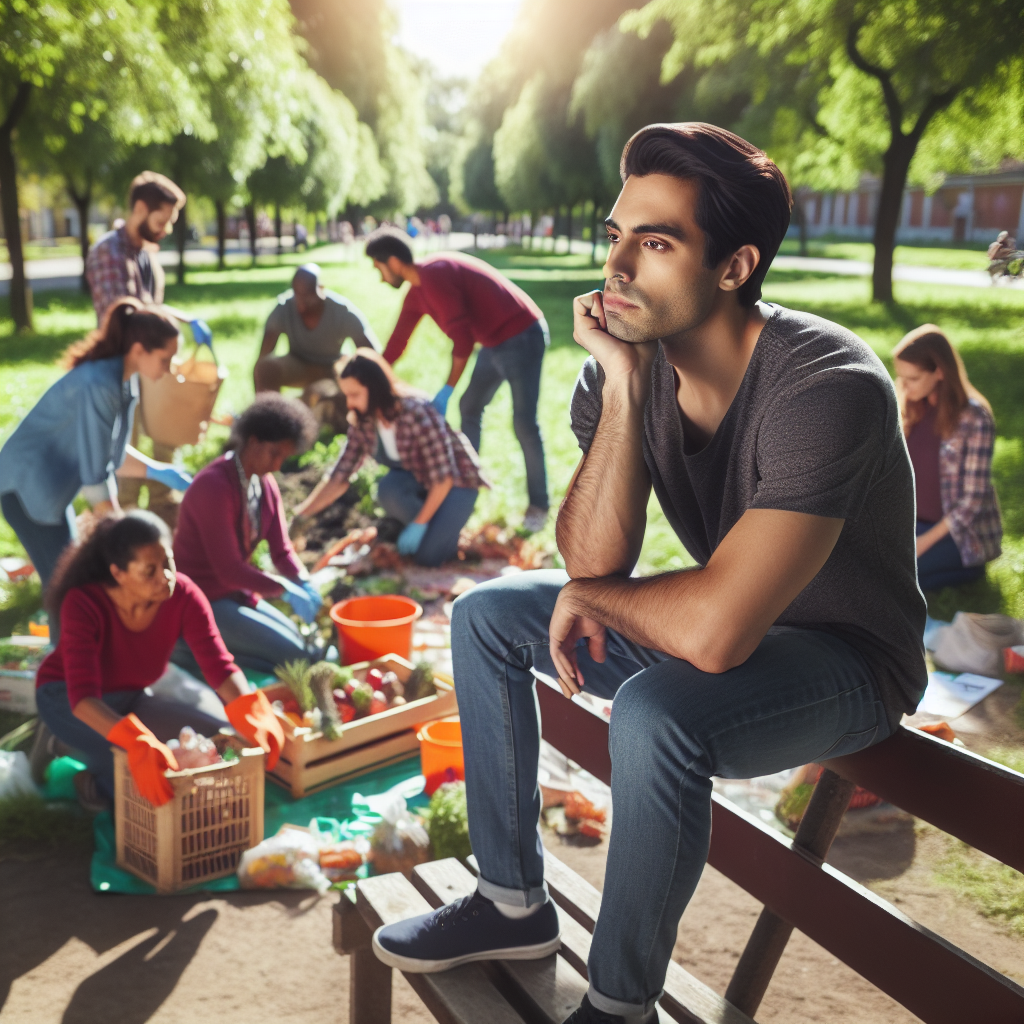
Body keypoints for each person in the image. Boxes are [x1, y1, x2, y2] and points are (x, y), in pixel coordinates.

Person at [369, 123, 927, 1024]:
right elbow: (593, 564)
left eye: (656, 242)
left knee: (657, 709)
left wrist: (600, 598)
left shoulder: (828, 385)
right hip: (744, 628)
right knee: (483, 616)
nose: (617, 266)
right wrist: (624, 384)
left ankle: (621, 1004)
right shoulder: (625, 365)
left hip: (849, 660)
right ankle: (512, 904)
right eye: (617, 234)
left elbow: (712, 635)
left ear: (736, 266)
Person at [33, 511, 283, 812]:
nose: (165, 576)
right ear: (118, 574)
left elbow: (219, 665)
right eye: (149, 571)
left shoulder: (185, 595)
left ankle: (94, 749)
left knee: (214, 742)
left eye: (168, 562)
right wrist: (137, 742)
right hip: (68, 700)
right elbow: (83, 698)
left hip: (130, 699)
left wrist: (251, 709)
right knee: (140, 788)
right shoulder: (84, 604)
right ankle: (71, 752)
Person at [0, 300, 193, 603]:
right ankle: (63, 648)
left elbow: (109, 453)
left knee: (72, 586)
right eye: (165, 359)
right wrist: (120, 530)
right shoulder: (100, 383)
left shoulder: (124, 379)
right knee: (67, 591)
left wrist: (159, 471)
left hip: (50, 488)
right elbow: (94, 477)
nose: (169, 370)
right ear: (140, 350)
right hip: (25, 487)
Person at [364, 229, 550, 532]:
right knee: (470, 407)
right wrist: (371, 376)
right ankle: (466, 488)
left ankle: (539, 506)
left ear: (394, 262)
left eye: (379, 267)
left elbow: (462, 340)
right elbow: (397, 343)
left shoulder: (434, 276)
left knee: (524, 422)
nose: (380, 277)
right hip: (493, 342)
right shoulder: (417, 291)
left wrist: (448, 387)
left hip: (521, 333)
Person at [85, 171, 207, 527]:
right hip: (120, 366)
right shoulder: (109, 253)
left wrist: (182, 319)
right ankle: (124, 523)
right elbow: (125, 315)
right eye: (162, 220)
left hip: (148, 361)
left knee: (164, 433)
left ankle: (163, 513)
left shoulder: (143, 255)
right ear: (140, 208)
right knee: (126, 444)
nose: (167, 229)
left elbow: (149, 304)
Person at [172, 394, 325, 674]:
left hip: (232, 594)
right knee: (294, 660)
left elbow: (281, 550)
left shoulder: (263, 485)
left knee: (304, 650)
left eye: (284, 457)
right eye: (275, 454)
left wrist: (302, 581)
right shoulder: (214, 486)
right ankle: (183, 649)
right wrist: (284, 591)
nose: (278, 465)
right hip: (198, 600)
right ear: (253, 442)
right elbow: (229, 569)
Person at [295, 351, 484, 567]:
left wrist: (419, 525)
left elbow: (444, 478)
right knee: (388, 490)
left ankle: (441, 534)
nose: (349, 403)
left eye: (355, 395)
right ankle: (437, 531)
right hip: (419, 479)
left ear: (375, 389)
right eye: (346, 395)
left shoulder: (416, 412)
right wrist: (302, 514)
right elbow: (340, 475)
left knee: (427, 559)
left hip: (456, 482)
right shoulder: (363, 421)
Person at [893, 325, 1002, 591]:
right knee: (862, 565)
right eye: (900, 377)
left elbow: (971, 503)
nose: (903, 386)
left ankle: (965, 570)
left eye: (913, 378)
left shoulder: (974, 418)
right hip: (914, 524)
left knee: (898, 580)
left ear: (939, 372)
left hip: (959, 537)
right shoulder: (911, 406)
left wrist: (920, 545)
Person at [253, 263, 379, 394]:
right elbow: (262, 357)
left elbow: (372, 355)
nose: (301, 302)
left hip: (332, 367)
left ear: (321, 288)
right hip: (299, 365)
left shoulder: (342, 312)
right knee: (265, 367)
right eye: (297, 294)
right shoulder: (284, 308)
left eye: (307, 294)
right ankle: (269, 412)